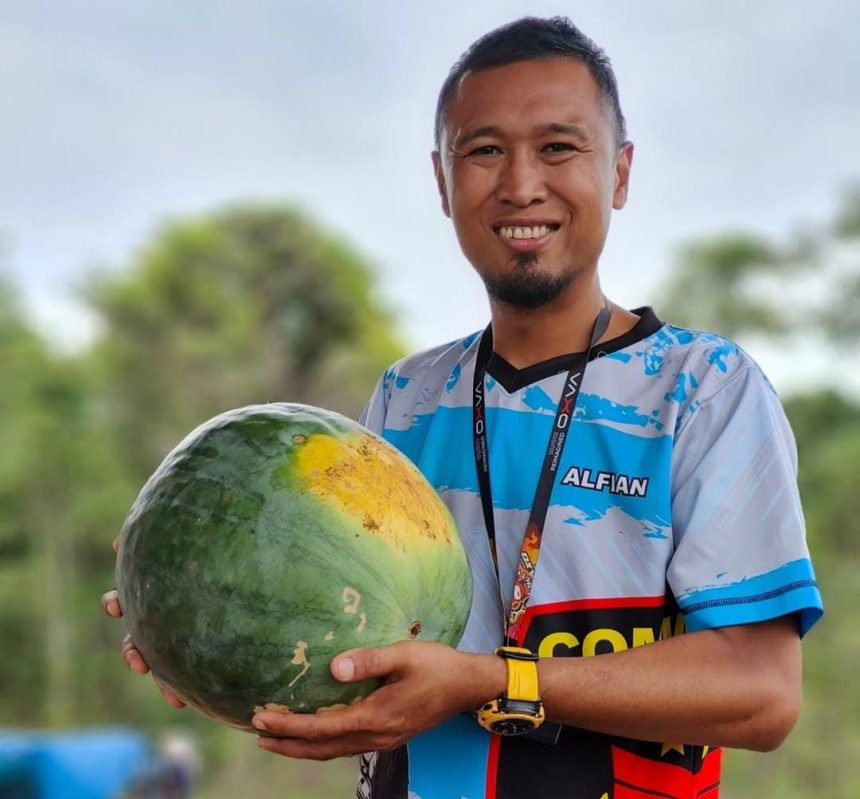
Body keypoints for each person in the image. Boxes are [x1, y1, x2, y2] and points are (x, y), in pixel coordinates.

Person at [103, 16, 823, 799]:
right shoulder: (406, 397)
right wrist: (197, 615)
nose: (520, 184)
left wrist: (492, 680)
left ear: (619, 172)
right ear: (443, 183)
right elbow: (340, 641)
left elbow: (761, 692)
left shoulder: (703, 390)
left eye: (558, 147)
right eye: (483, 151)